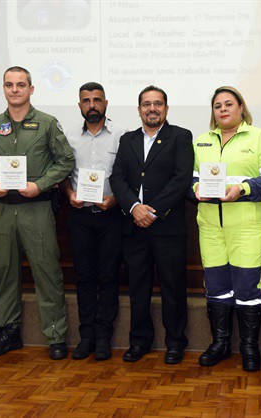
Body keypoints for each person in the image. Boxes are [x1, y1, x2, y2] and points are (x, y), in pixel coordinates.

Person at [0, 66, 75, 360]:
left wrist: (40, 185)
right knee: (6, 273)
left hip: (37, 208)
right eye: (9, 84)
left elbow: (65, 161)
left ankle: (55, 336)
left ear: (31, 89)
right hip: (4, 210)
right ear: (4, 89)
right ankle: (7, 334)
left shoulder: (47, 123)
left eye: (21, 85)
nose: (15, 89)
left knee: (47, 273)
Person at [191, 86, 261, 371]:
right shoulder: (202, 142)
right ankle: (220, 343)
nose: (222, 109)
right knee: (216, 288)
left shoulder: (260, 138)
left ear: (241, 108)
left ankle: (249, 346)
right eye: (217, 105)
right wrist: (195, 189)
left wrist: (242, 189)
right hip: (211, 228)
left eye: (228, 104)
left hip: (248, 229)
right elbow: (192, 178)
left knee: (247, 288)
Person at [110, 85, 194, 364]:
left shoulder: (180, 136)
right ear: (139, 110)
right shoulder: (128, 139)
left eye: (158, 103)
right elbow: (117, 177)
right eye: (147, 104)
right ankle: (139, 341)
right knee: (138, 288)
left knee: (173, 287)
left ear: (166, 109)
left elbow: (181, 179)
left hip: (168, 228)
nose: (152, 108)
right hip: (134, 226)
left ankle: (175, 343)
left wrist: (153, 211)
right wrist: (135, 207)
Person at [60, 82, 126, 361]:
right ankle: (86, 336)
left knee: (109, 277)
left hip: (112, 216)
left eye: (97, 100)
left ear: (105, 103)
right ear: (79, 106)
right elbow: (63, 173)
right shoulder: (69, 136)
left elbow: (129, 175)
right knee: (85, 277)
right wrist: (69, 194)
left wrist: (116, 200)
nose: (92, 105)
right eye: (86, 101)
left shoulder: (122, 135)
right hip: (80, 217)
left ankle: (103, 338)